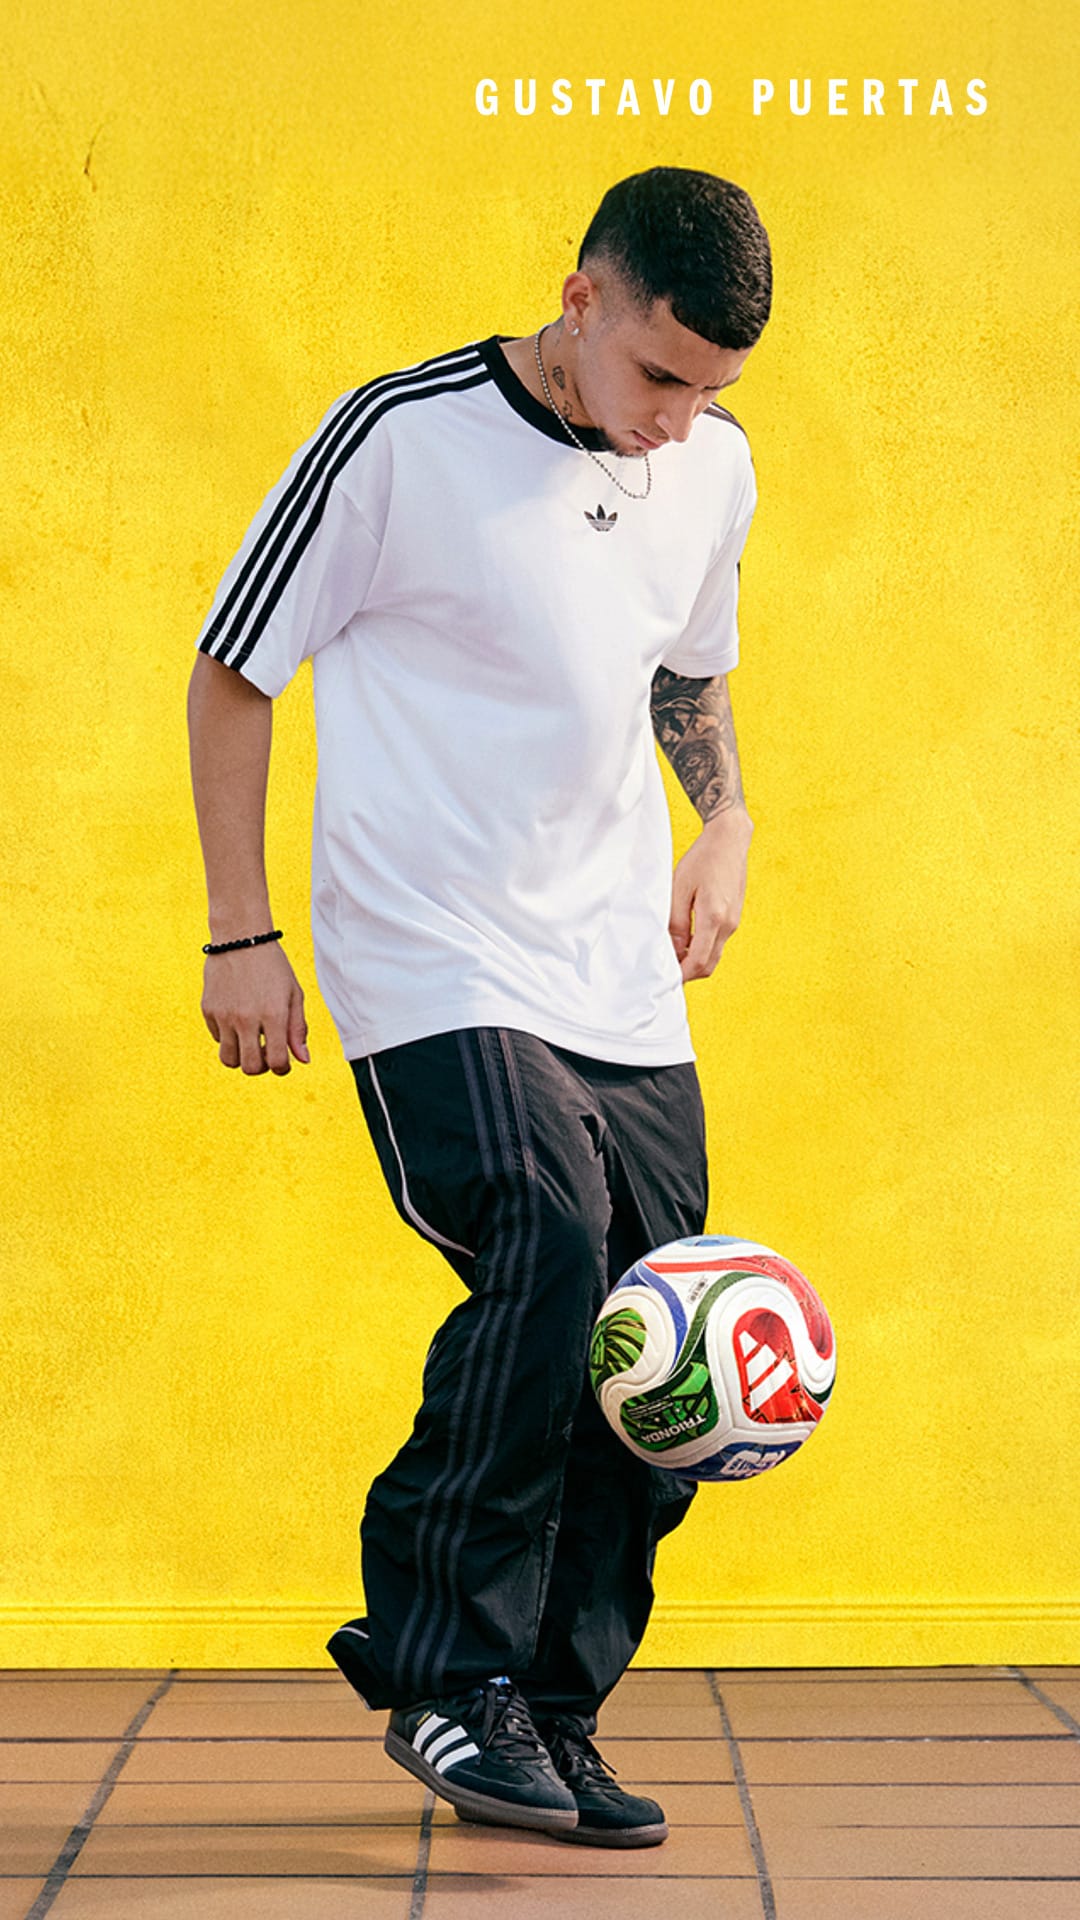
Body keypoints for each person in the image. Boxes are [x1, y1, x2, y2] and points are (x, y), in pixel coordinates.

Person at [188, 166, 772, 1848]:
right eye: (660, 374)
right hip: (428, 949)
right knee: (540, 1239)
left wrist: (723, 815)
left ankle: (551, 1708)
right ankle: (444, 1667)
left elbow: (685, 662)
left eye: (713, 392)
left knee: (656, 1342)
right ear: (579, 301)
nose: (680, 420)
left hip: (611, 970)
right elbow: (234, 667)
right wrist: (244, 933)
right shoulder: (399, 439)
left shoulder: (711, 465)